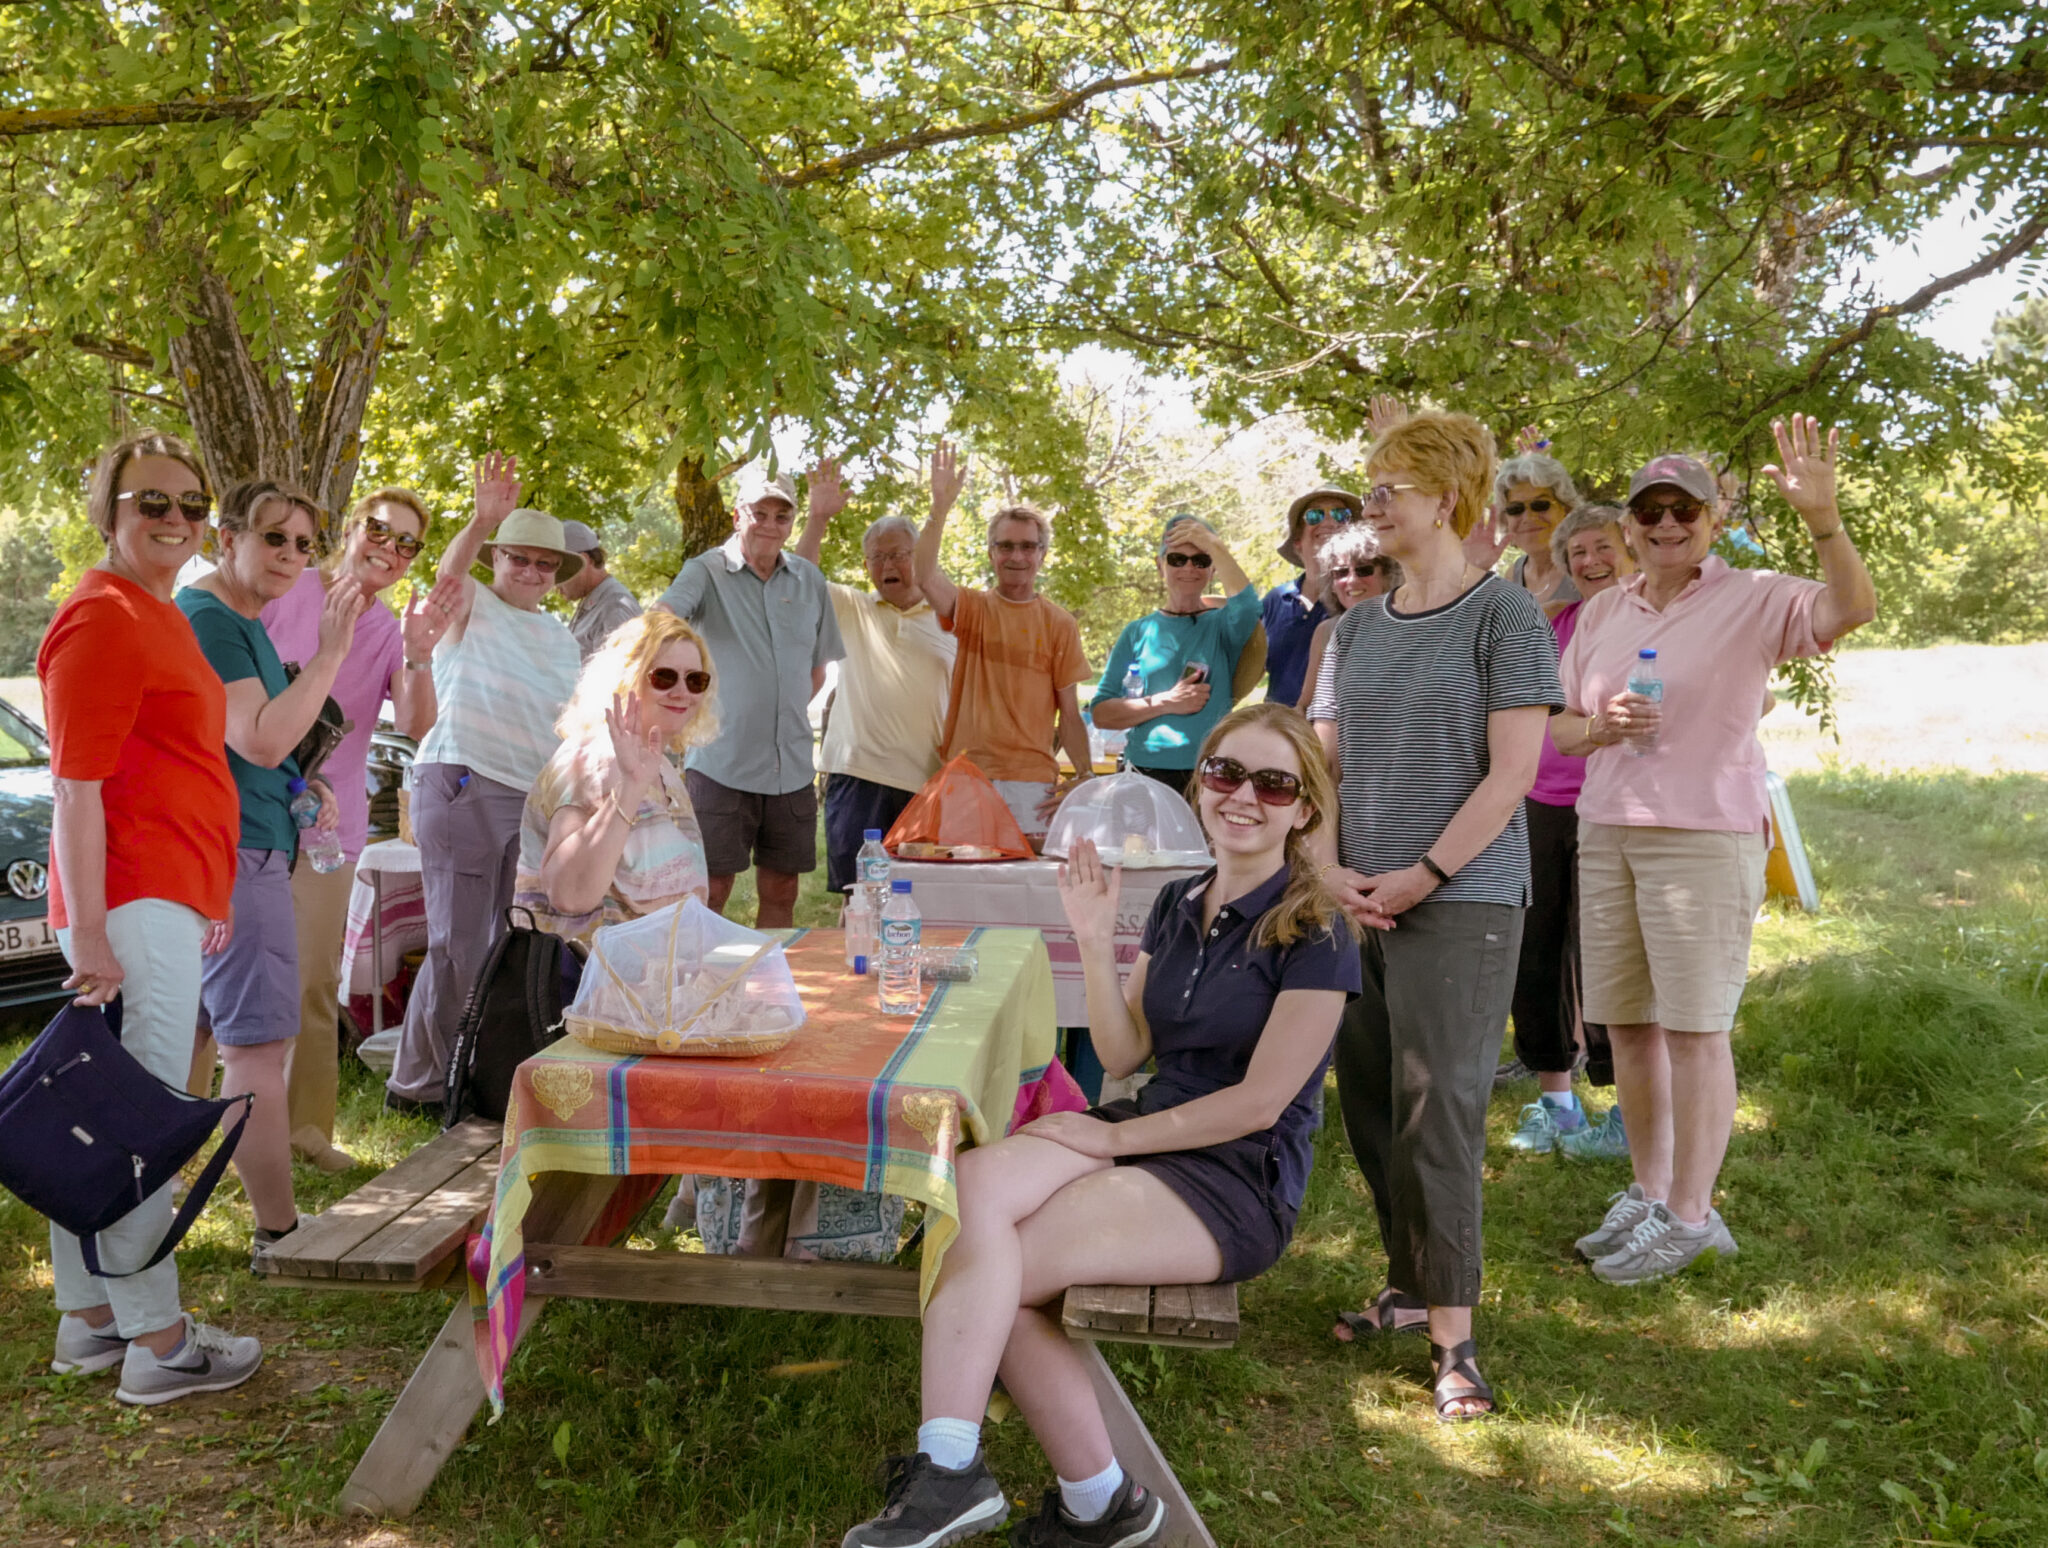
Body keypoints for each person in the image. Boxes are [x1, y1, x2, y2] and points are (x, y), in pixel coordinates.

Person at [841, 703, 1357, 1548]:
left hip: (1233, 1173)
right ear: (1201, 783)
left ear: (1303, 808)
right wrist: (1089, 936)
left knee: (994, 1267)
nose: (1243, 798)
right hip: (1148, 1120)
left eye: (1273, 784)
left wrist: (1110, 1139)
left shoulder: (1316, 930)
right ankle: (1026, 1489)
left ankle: (1055, 1494)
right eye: (1226, 774)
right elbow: (1125, 1054)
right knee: (968, 1196)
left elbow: (1262, 1101)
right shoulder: (1181, 900)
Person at [1552, 420, 1876, 1282]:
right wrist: (1598, 727)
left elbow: (1851, 608)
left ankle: (1694, 1216)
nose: (1665, 525)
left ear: (1711, 514)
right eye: (1649, 511)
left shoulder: (1757, 595)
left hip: (1703, 836)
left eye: (1682, 509)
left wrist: (1825, 521)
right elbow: (1557, 723)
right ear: (1627, 524)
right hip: (1608, 826)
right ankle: (1654, 1194)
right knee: (1629, 1025)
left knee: (1695, 1030)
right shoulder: (1602, 610)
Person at [1308, 410, 1562, 1420]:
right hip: (1357, 902)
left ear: (1447, 502)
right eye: (1369, 486)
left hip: (1462, 900)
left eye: (1388, 489)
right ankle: (1407, 1288)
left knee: (1440, 1111)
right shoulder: (1351, 627)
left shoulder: (1503, 617)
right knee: (1368, 1099)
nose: (1370, 504)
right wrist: (1325, 866)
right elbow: (1320, 762)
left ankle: (1454, 1343)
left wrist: (1418, 874)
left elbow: (1512, 775)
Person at [36, 431, 263, 1404]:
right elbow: (76, 790)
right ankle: (159, 1344)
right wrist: (92, 933)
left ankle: (88, 1320)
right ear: (109, 512)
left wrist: (199, 894)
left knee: (97, 1118)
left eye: (188, 503)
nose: (173, 519)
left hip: (158, 899)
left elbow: (173, 766)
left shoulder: (154, 611)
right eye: (149, 503)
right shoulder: (102, 618)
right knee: (138, 1128)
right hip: (124, 904)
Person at [179, 479, 369, 1261]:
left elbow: (263, 748)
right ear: (226, 537)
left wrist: (306, 782)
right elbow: (256, 738)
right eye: (273, 538)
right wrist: (331, 653)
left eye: (303, 544)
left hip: (248, 839)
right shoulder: (212, 618)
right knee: (256, 1048)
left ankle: (148, 1209)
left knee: (209, 1041)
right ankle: (281, 1232)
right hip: (232, 851)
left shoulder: (241, 621)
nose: (291, 556)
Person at [261, 487, 460, 1171]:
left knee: (313, 982)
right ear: (352, 529)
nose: (391, 549)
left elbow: (418, 725)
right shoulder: (286, 588)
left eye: (408, 543)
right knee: (219, 978)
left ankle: (304, 1134)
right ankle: (188, 1136)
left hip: (327, 828)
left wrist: (420, 652)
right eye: (380, 530)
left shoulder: (391, 628)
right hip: (245, 812)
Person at [388, 454, 583, 1111]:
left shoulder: (559, 636)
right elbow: (446, 575)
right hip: (464, 784)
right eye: (517, 558)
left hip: (528, 803)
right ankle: (420, 1084)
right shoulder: (470, 603)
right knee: (457, 947)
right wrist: (478, 522)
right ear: (496, 559)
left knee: (497, 947)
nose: (530, 572)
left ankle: (462, 1073)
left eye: (544, 564)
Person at [653, 466, 843, 928]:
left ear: (791, 522)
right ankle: (696, 990)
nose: (770, 525)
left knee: (782, 891)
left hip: (791, 767)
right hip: (720, 764)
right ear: (739, 515)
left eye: (782, 515)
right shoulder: (707, 570)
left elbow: (816, 671)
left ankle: (767, 992)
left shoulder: (809, 581)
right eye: (760, 513)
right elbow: (663, 617)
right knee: (710, 891)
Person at [1503, 504, 1636, 1159]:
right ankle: (1556, 1104)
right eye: (1577, 551)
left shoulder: (1652, 618)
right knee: (1537, 953)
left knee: (1608, 958)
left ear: (1632, 548)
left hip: (1617, 809)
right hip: (1538, 802)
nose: (1590, 562)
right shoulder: (1551, 621)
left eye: (1602, 547)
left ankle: (1629, 1113)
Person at [913, 442, 1094, 843]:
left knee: (1026, 894)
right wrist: (939, 508)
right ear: (991, 553)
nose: (1017, 556)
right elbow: (924, 575)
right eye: (1006, 546)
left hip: (1033, 784)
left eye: (1028, 546)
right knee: (963, 892)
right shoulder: (972, 608)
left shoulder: (1060, 624)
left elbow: (1071, 714)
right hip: (968, 774)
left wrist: (1083, 777)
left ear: (1042, 555)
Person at [791, 463, 959, 894]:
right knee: (858, 900)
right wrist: (818, 518)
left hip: (928, 783)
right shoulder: (852, 608)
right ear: (866, 565)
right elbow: (799, 579)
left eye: (899, 554)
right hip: (857, 776)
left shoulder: (954, 615)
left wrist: (940, 509)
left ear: (919, 557)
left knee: (922, 901)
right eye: (878, 557)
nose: (888, 564)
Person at [515, 611, 716, 942]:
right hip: (586, 984)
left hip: (647, 982)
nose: (683, 692)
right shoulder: (592, 761)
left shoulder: (662, 766)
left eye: (696, 680)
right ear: (627, 678)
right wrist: (629, 790)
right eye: (664, 677)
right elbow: (569, 894)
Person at [1089, 516, 1259, 794]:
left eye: (1201, 560)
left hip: (1208, 776)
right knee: (1138, 841)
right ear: (1160, 566)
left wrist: (1215, 545)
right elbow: (1101, 713)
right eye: (1177, 559)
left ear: (1213, 569)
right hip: (1143, 773)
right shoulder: (1137, 632)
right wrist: (1166, 702)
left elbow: (1248, 606)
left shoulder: (1223, 626)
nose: (1189, 568)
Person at [1260, 486, 1360, 707]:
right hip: (1281, 729)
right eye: (1314, 515)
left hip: (1339, 727)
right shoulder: (1275, 600)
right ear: (1297, 541)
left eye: (1340, 515)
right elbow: (1250, 668)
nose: (1328, 522)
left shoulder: (1361, 593)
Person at [1294, 526, 1401, 712]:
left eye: (1364, 570)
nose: (1351, 580)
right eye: (1341, 572)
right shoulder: (1326, 631)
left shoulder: (1406, 624)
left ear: (1386, 575)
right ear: (1332, 584)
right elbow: (1305, 704)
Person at [1495, 451, 1582, 615]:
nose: (1528, 517)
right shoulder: (1513, 576)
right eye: (1515, 509)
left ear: (1566, 509)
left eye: (1540, 505)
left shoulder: (1585, 567)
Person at [557, 519, 643, 661]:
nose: (554, 583)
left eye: (559, 570)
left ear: (583, 561)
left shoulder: (615, 607)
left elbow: (621, 674)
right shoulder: (595, 601)